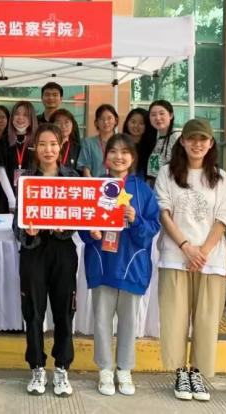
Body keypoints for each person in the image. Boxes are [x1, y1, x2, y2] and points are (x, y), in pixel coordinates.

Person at [155, 119, 226, 402]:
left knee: (206, 319)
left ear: (211, 143)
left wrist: (202, 251)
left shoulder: (221, 178)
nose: (197, 144)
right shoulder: (167, 173)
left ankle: (197, 373)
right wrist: (186, 247)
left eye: (203, 139)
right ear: (183, 141)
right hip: (175, 257)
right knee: (175, 317)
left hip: (211, 261)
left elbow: (225, 217)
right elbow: (163, 212)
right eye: (192, 138)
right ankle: (180, 372)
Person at [80, 134, 160, 397]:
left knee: (128, 322)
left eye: (125, 152)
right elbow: (82, 223)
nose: (119, 156)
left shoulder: (143, 190)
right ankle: (104, 369)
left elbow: (153, 228)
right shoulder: (95, 187)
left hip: (131, 266)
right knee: (102, 321)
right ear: (105, 158)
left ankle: (124, 369)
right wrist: (90, 233)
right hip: (102, 263)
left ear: (133, 158)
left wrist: (136, 220)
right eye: (113, 151)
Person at [14, 124, 79, 397]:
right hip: (34, 252)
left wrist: (67, 227)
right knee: (33, 312)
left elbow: (80, 217)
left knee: (64, 311)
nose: (48, 150)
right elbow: (17, 224)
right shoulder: (26, 179)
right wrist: (27, 232)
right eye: (42, 144)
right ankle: (37, 367)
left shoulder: (72, 178)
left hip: (63, 252)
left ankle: (62, 367)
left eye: (53, 144)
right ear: (35, 147)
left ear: (61, 146)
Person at [0, 101, 38, 213]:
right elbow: (1, 171)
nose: (20, 118)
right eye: (17, 114)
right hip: (6, 197)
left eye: (25, 115)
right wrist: (11, 200)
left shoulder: (37, 140)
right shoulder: (3, 141)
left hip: (32, 196)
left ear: (31, 118)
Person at [146, 100, 181, 187]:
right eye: (153, 115)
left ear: (171, 115)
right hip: (154, 186)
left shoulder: (177, 137)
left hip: (171, 186)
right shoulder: (155, 138)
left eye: (162, 113)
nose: (157, 118)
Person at [78, 104, 118, 178]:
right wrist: (93, 184)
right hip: (95, 183)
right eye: (102, 119)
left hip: (119, 183)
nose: (106, 122)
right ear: (96, 122)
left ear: (116, 120)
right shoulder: (88, 143)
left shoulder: (122, 142)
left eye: (109, 118)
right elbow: (86, 170)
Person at [123, 107, 156, 180]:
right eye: (133, 122)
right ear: (127, 123)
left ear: (147, 125)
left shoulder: (153, 147)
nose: (136, 126)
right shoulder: (120, 144)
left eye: (141, 123)